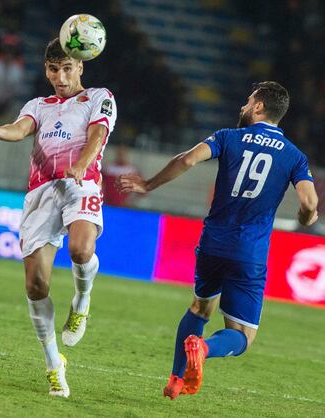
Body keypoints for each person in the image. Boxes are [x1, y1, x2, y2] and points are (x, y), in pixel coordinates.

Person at [118, 81, 318, 400]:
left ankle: (175, 379)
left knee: (199, 308)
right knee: (241, 336)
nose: (243, 106)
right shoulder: (295, 156)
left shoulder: (227, 137)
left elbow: (187, 160)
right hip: (248, 251)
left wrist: (149, 184)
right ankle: (204, 347)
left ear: (259, 108)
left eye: (248, 101)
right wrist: (307, 219)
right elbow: (309, 204)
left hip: (212, 243)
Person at [0, 38, 117, 398]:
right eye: (54, 69)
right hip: (41, 193)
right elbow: (20, 128)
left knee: (81, 249)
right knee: (35, 286)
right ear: (46, 70)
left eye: (67, 68)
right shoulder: (37, 105)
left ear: (81, 66)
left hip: (80, 183)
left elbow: (98, 134)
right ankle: (54, 363)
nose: (60, 76)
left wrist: (83, 164)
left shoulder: (99, 97)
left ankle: (81, 302)